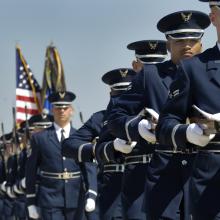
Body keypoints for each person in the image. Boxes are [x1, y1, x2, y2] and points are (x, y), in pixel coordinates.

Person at [107, 10, 210, 220]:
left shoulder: (214, 72)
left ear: (202, 41)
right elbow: (115, 118)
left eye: (193, 39)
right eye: (179, 39)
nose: (187, 45)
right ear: (168, 43)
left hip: (207, 176)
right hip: (164, 178)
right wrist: (140, 128)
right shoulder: (151, 76)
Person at [156, 1, 220, 219]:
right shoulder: (194, 68)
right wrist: (189, 133)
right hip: (211, 189)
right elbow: (165, 125)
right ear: (213, 17)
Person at [97, 40, 168, 220]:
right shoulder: (122, 101)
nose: (151, 70)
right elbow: (106, 137)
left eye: (158, 63)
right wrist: (118, 144)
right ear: (136, 65)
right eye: (145, 64)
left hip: (170, 168)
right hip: (138, 172)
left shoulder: (175, 86)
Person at [26, 91, 85, 220]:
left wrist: (91, 194)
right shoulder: (39, 138)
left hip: (76, 196)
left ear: (71, 110)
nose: (62, 111)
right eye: (58, 107)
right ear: (52, 110)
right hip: (50, 198)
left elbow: (88, 168)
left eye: (65, 108)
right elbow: (30, 172)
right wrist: (30, 201)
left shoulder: (81, 137)